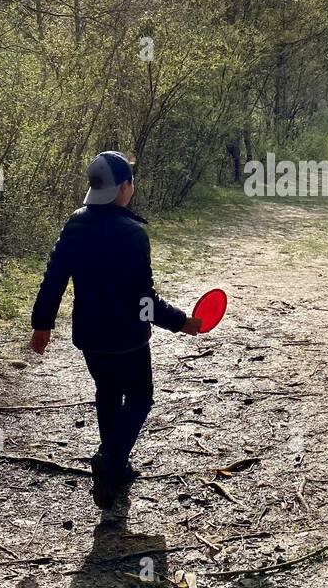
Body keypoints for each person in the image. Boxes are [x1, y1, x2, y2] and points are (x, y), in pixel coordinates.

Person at [29, 151, 202, 509]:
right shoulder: (131, 233)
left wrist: (41, 325)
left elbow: (53, 280)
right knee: (140, 398)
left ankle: (115, 472)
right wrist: (180, 322)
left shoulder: (75, 223)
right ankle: (109, 461)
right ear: (124, 187)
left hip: (91, 339)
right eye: (131, 183)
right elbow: (143, 299)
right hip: (127, 341)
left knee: (107, 392)